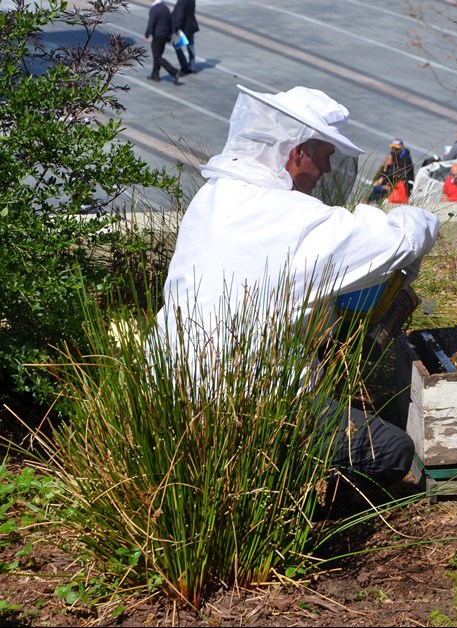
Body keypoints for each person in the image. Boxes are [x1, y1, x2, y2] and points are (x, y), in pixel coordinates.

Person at [156, 85, 440, 487]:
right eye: (324, 157)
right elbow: (398, 238)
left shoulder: (213, 197)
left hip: (165, 386)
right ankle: (284, 496)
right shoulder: (291, 217)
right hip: (245, 401)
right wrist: (428, 220)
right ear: (297, 153)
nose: (326, 170)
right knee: (392, 451)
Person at [144, 0, 180, 84]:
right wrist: (172, 32)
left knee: (157, 57)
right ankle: (155, 75)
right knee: (158, 55)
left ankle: (174, 71)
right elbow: (171, 21)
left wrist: (147, 35)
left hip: (157, 35)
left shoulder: (154, 9)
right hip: (165, 35)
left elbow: (151, 23)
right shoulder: (165, 7)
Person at [171, 0, 199, 75]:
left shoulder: (181, 1)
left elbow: (180, 15)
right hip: (191, 26)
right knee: (191, 46)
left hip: (183, 28)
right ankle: (192, 66)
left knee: (176, 45)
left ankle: (184, 66)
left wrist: (177, 28)